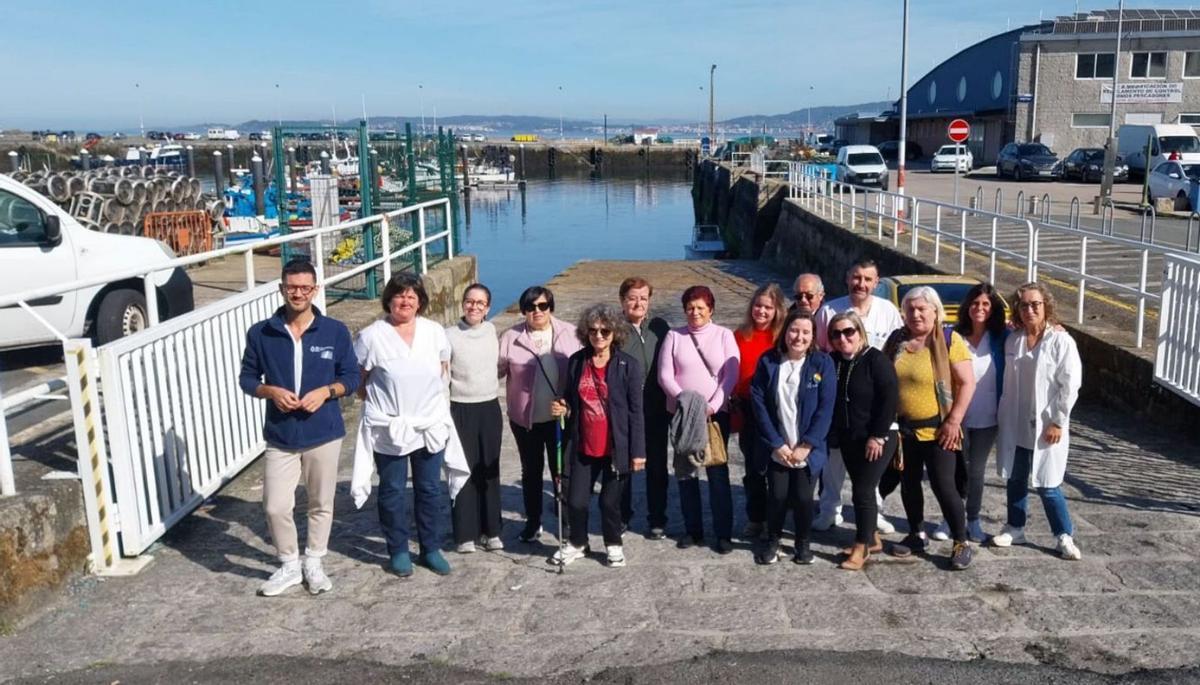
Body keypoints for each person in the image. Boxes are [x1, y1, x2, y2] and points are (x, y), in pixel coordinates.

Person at [239, 258, 359, 597]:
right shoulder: (261, 333)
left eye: (305, 287)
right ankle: (289, 563)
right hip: (281, 433)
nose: (298, 293)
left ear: (315, 290)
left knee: (321, 501)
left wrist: (326, 392)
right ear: (281, 289)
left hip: (324, 431)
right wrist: (270, 391)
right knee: (276, 505)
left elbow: (350, 377)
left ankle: (314, 560)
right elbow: (247, 379)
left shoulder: (334, 331)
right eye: (292, 287)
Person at [350, 273, 470, 578]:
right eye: (399, 296)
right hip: (390, 426)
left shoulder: (434, 332)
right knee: (391, 490)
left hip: (428, 423)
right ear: (389, 299)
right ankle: (398, 550)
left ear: (420, 302)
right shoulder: (372, 335)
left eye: (411, 296)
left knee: (429, 488)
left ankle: (430, 547)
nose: (405, 301)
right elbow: (359, 379)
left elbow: (443, 370)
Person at [884, 286, 976, 570]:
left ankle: (961, 541)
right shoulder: (896, 340)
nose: (915, 314)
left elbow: (967, 383)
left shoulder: (949, 340)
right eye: (910, 309)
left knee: (943, 484)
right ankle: (916, 533)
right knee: (909, 483)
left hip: (940, 429)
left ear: (936, 312)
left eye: (922, 309)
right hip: (904, 430)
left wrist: (954, 421)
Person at [991, 283, 1084, 560]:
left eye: (1036, 304)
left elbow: (1071, 385)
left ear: (1046, 307)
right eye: (1024, 305)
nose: (1030, 309)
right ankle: (1015, 527)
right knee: (1016, 477)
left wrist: (1058, 421)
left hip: (1046, 425)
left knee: (1048, 483)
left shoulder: (1060, 341)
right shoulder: (1013, 339)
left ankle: (1063, 535)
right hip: (1017, 421)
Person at [549, 304, 646, 567]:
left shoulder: (629, 365)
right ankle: (577, 542)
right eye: (593, 331)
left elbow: (637, 412)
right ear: (585, 333)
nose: (599, 336)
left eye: (605, 331)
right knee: (576, 501)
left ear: (615, 332)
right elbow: (568, 400)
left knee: (609, 503)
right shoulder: (576, 362)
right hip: (583, 444)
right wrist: (563, 407)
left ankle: (613, 544)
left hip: (616, 446)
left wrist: (638, 452)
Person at [814, 260, 903, 533]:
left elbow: (897, 348)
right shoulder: (830, 310)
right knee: (832, 463)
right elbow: (819, 349)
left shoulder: (887, 311)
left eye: (867, 279)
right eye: (856, 278)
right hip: (838, 394)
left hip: (871, 397)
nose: (860, 284)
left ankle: (873, 514)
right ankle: (829, 510)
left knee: (870, 468)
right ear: (846, 278)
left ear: (876, 282)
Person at [748, 311, 836, 565]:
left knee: (804, 498)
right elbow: (759, 403)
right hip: (778, 445)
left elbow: (826, 408)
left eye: (805, 332)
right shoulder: (769, 361)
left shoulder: (822, 363)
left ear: (813, 336)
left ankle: (803, 543)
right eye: (794, 330)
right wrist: (776, 443)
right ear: (785, 332)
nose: (799, 337)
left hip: (808, 448)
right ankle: (772, 541)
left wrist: (807, 445)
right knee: (776, 496)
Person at [659, 285, 740, 553]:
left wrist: (715, 403)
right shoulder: (674, 336)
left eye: (700, 308)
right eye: (690, 308)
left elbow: (731, 372)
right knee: (686, 473)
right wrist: (686, 402)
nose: (695, 313)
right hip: (683, 416)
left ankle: (723, 533)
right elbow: (665, 375)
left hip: (715, 417)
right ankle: (693, 531)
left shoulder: (724, 335)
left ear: (711, 310)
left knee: (717, 473)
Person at [498, 286, 582, 543]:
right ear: (523, 310)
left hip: (560, 418)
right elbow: (495, 371)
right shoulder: (511, 336)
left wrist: (569, 404)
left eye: (542, 306)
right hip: (526, 420)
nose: (537, 311)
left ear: (551, 308)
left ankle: (566, 524)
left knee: (563, 472)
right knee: (531, 472)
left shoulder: (570, 333)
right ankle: (533, 522)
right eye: (531, 307)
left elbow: (580, 373)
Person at [931, 283, 1009, 543]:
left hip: (989, 417)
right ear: (968, 307)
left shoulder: (1002, 336)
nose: (980, 309)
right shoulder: (952, 335)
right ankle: (949, 519)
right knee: (955, 471)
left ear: (993, 308)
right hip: (957, 416)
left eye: (986, 304)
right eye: (975, 304)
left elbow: (1033, 334)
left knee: (976, 471)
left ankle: (973, 519)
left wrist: (1055, 326)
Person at [825, 311, 899, 570]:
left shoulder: (875, 360)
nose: (843, 338)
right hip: (849, 437)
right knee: (859, 487)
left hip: (877, 437)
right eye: (836, 334)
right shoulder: (833, 361)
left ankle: (861, 546)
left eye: (849, 332)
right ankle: (873, 538)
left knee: (863, 490)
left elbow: (890, 399)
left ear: (859, 332)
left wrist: (877, 436)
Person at [446, 283, 504, 553]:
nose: (474, 307)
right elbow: (442, 375)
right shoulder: (449, 336)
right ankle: (465, 534)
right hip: (460, 407)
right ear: (463, 303)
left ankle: (492, 531)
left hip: (489, 407)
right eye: (470, 301)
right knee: (462, 469)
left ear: (488, 308)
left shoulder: (493, 332)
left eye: (480, 303)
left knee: (489, 469)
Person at [618, 277, 672, 539]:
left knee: (658, 466)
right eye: (632, 298)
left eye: (643, 298)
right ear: (622, 301)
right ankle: (621, 516)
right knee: (623, 466)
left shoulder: (660, 327)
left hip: (656, 408)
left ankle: (657, 518)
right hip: (626, 410)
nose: (638, 303)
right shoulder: (613, 330)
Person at [732, 283, 787, 540]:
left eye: (767, 307)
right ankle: (756, 518)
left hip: (778, 410)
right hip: (748, 409)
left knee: (777, 467)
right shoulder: (740, 335)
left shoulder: (783, 336)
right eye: (757, 305)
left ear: (777, 310)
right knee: (753, 467)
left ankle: (778, 519)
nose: (761, 311)